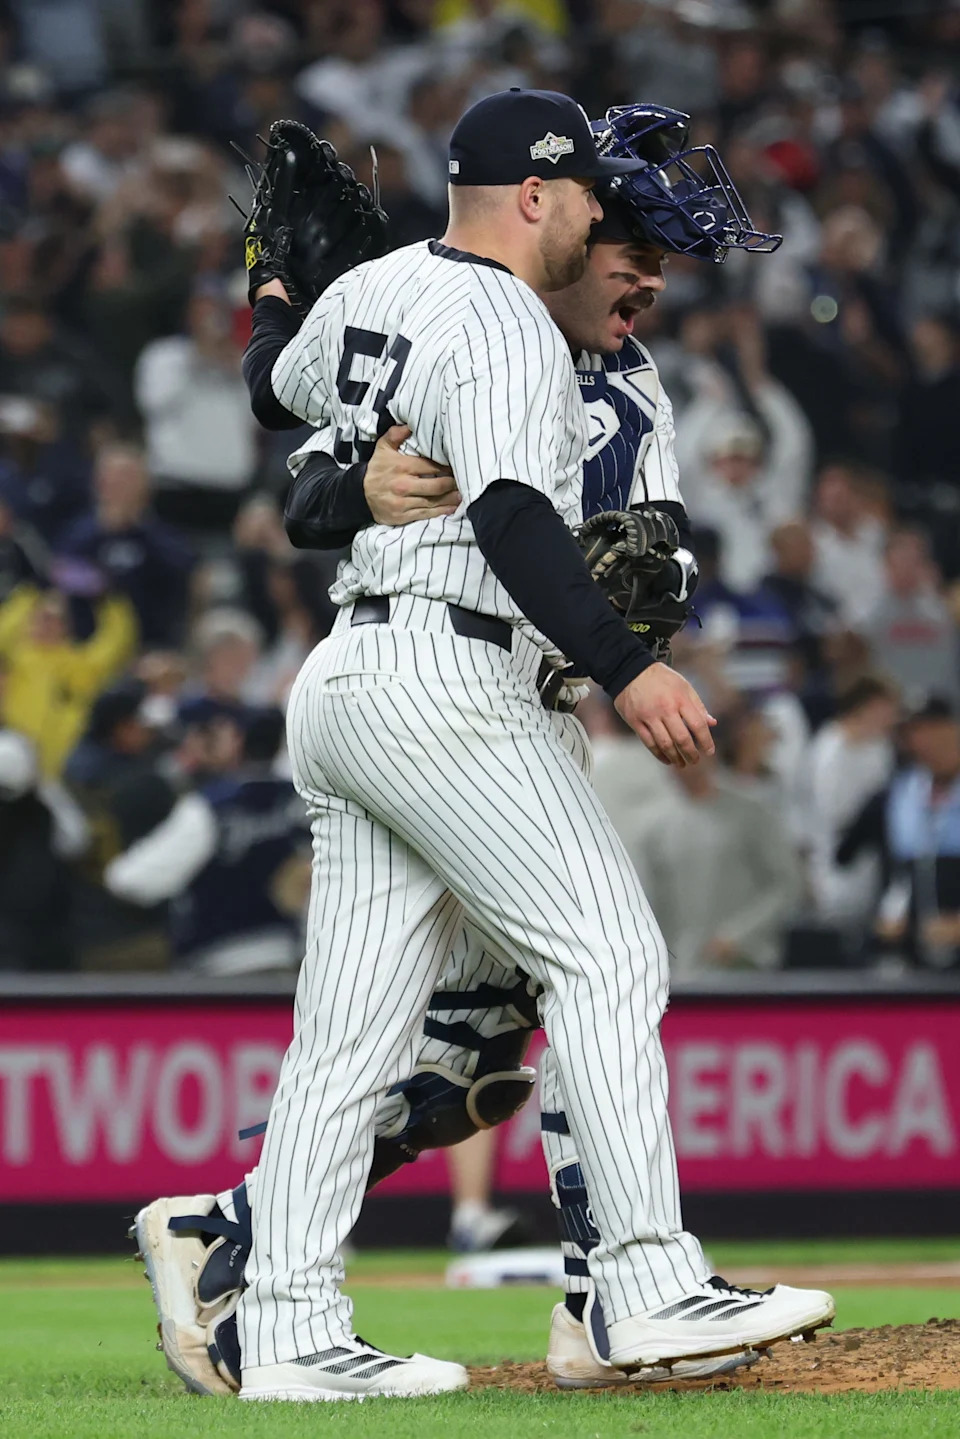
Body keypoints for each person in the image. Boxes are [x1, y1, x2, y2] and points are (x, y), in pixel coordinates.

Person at [134, 96, 832, 1402]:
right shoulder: (506, 321)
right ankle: (636, 1280)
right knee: (605, 957)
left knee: (371, 1029)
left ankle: (276, 1303)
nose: (642, 264)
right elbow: (470, 508)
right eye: (614, 226)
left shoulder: (413, 297)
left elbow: (279, 388)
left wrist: (281, 294)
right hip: (455, 682)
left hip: (372, 680)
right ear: (541, 205)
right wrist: (629, 667)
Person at [104, 709, 309, 976]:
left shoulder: (211, 806)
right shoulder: (300, 799)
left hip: (218, 965)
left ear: (237, 742)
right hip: (289, 959)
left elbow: (131, 880)